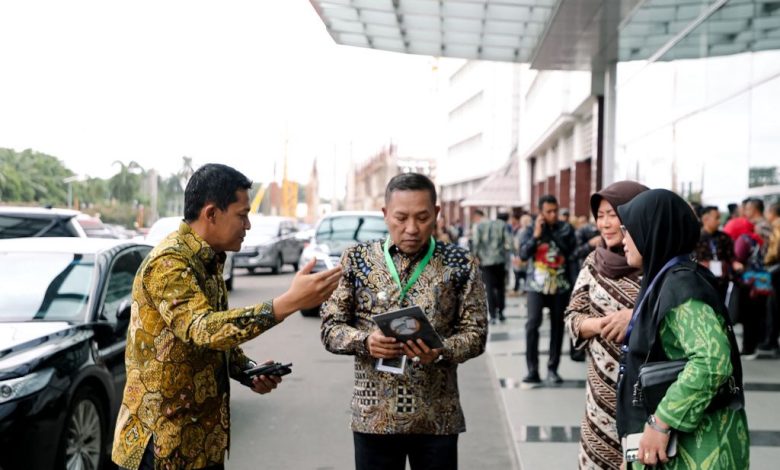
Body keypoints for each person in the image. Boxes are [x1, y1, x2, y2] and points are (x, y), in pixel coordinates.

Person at [112, 164, 342, 470]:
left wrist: (247, 370)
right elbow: (202, 329)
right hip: (162, 445)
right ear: (211, 214)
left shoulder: (209, 259)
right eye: (242, 214)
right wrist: (286, 303)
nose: (247, 225)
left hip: (204, 442)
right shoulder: (170, 263)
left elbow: (212, 340)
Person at [320, 172, 488, 470]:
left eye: (422, 218)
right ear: (385, 215)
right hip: (374, 417)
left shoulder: (461, 263)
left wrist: (441, 351)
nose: (412, 228)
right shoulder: (357, 259)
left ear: (437, 214)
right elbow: (330, 328)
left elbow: (476, 333)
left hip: (437, 417)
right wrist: (365, 342)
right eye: (401, 218)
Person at [616, 189, 749, 469]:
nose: (623, 239)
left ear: (652, 231)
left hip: (695, 447)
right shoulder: (668, 280)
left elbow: (712, 361)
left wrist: (661, 422)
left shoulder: (681, 286)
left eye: (628, 229)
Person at [564, 181, 648, 469]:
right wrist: (601, 325)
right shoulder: (594, 262)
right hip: (600, 397)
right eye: (600, 215)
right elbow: (572, 317)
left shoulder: (657, 266)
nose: (606, 223)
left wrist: (635, 319)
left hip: (646, 397)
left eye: (613, 214)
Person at [519, 194, 577, 386]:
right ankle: (532, 370)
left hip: (560, 286)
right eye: (549, 212)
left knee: (557, 328)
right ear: (541, 213)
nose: (553, 215)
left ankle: (553, 368)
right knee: (532, 324)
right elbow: (523, 254)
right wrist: (536, 235)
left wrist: (550, 232)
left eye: (555, 211)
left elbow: (570, 253)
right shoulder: (530, 230)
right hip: (536, 285)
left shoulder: (566, 229)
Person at [472, 209, 512, 323]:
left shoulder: (479, 226)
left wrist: (475, 256)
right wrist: (513, 253)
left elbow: (476, 242)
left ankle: (492, 314)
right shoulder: (502, 225)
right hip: (500, 260)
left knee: (489, 288)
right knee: (500, 287)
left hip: (486, 261)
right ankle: (501, 312)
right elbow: (509, 241)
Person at [695, 205, 735, 303]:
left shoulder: (724, 238)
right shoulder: (695, 238)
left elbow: (731, 258)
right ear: (705, 219)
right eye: (716, 218)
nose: (719, 221)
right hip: (703, 281)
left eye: (719, 218)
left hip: (722, 282)